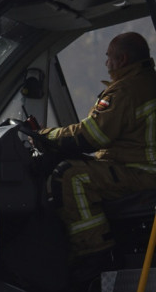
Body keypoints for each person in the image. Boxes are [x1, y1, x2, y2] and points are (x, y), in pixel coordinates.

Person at [34, 31, 156, 261]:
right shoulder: (148, 82)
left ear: (123, 60)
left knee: (69, 175)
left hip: (142, 173)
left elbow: (90, 136)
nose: (106, 63)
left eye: (109, 57)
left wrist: (45, 135)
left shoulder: (126, 91)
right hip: (143, 169)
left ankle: (92, 258)